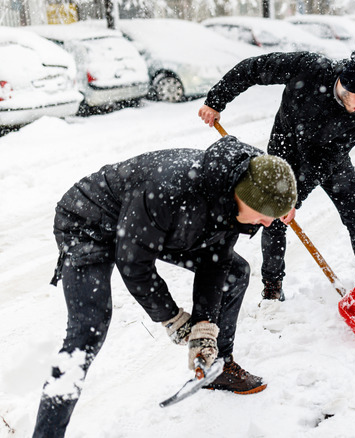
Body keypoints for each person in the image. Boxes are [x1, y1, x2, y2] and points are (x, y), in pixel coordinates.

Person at [33, 136, 298, 438]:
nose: (266, 224)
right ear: (244, 197)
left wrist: (203, 328)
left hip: (158, 227)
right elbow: (134, 265)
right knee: (88, 329)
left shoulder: (231, 195)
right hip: (90, 223)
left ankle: (216, 366)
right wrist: (172, 318)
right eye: (265, 216)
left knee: (235, 272)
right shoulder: (171, 190)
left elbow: (216, 262)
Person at [198, 49, 355, 311]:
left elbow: (322, 161)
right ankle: (272, 287)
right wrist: (216, 100)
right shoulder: (308, 68)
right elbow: (253, 68)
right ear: (345, 83)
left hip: (330, 159)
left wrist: (295, 197)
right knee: (273, 218)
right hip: (285, 151)